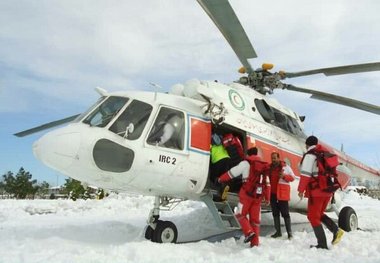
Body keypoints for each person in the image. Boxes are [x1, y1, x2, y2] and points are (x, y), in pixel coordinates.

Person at [298, 135, 344, 249]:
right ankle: (336, 230)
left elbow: (305, 174)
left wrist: (300, 190)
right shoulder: (324, 154)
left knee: (313, 217)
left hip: (317, 191)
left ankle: (322, 243)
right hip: (327, 191)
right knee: (318, 214)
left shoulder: (310, 155)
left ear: (307, 144)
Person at [218, 147, 270, 247]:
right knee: (255, 221)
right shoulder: (264, 166)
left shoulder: (246, 163)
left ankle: (248, 232)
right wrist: (267, 197)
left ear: (249, 155)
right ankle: (255, 243)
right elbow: (267, 183)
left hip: (246, 194)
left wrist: (221, 179)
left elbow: (232, 173)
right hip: (258, 196)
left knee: (239, 213)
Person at [267, 152, 296, 239]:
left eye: (275, 158)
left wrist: (284, 176)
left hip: (282, 194)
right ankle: (278, 232)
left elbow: (293, 178)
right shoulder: (270, 168)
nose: (273, 160)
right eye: (272, 158)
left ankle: (289, 233)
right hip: (273, 194)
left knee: (285, 213)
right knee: (275, 213)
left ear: (279, 158)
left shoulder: (286, 167)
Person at [210, 133, 231, 201]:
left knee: (213, 176)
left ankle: (217, 191)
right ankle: (224, 188)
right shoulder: (220, 140)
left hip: (217, 160)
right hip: (226, 158)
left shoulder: (209, 143)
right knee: (224, 176)